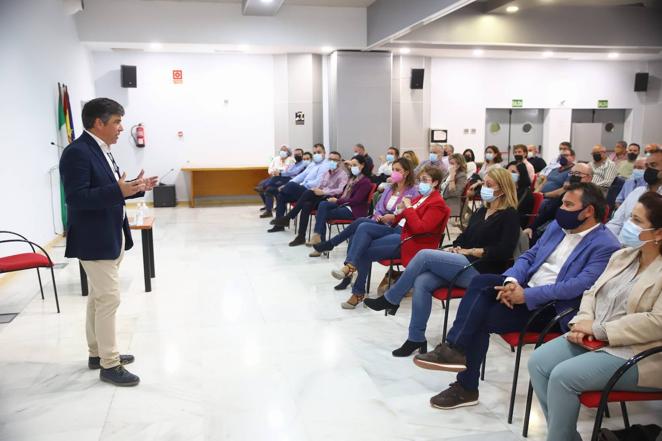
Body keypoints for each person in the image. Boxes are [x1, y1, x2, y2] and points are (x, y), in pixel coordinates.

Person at [410, 183, 620, 410]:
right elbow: (529, 256)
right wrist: (511, 282)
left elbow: (576, 286)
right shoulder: (558, 228)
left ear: (588, 211)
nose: (561, 209)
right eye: (562, 203)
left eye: (568, 205)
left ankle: (465, 384)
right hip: (524, 287)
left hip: (553, 307)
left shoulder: (606, 244)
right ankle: (454, 349)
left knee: (480, 317)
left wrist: (526, 295)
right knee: (481, 282)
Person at [528, 191, 662, 441]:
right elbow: (592, 292)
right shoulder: (623, 256)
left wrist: (598, 329)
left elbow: (657, 323)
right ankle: (565, 436)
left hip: (640, 352)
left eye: (638, 222)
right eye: (630, 218)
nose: (628, 226)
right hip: (596, 337)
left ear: (659, 233)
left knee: (563, 377)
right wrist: (581, 323)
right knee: (538, 362)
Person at [364, 167, 521, 357]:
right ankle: (416, 338)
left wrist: (470, 251)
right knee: (422, 281)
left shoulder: (510, 215)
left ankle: (391, 298)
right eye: (484, 184)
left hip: (481, 270)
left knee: (424, 255)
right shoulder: (482, 211)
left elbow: (503, 251)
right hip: (463, 261)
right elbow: (465, 237)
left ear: (502, 189)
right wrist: (455, 246)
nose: (483, 189)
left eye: (489, 185)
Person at [59, 98, 159, 387]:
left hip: (110, 234)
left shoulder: (102, 150)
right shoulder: (77, 153)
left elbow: (109, 190)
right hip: (94, 238)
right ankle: (110, 364)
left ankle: (96, 353)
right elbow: (76, 199)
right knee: (109, 299)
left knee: (98, 298)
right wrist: (117, 190)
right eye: (116, 122)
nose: (121, 128)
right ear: (98, 123)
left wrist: (135, 188)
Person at [333, 166, 450, 309]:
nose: (421, 183)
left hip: (413, 242)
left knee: (363, 250)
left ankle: (355, 286)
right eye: (420, 180)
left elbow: (420, 228)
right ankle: (351, 269)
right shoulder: (421, 197)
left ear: (435, 183)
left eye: (425, 180)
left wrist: (408, 208)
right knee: (363, 227)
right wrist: (394, 216)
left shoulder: (437, 203)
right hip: (401, 232)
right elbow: (404, 216)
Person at [313, 158, 418, 282]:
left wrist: (392, 218)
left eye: (398, 170)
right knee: (357, 231)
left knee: (360, 225)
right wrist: (378, 216)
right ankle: (348, 269)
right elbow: (379, 206)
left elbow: (408, 214)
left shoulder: (413, 191)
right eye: (393, 169)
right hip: (380, 222)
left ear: (406, 173)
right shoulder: (390, 188)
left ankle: (335, 250)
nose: (394, 172)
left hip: (393, 226)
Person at [270, 151, 348, 239]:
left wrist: (323, 192)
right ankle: (301, 237)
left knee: (307, 194)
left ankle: (289, 217)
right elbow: (320, 184)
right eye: (330, 159)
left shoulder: (343, 175)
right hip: (320, 196)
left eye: (335, 160)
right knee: (306, 204)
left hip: (331, 199)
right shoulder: (327, 172)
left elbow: (340, 190)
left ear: (340, 161)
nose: (332, 161)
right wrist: (316, 189)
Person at [308, 155, 373, 254]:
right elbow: (344, 194)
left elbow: (356, 200)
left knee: (321, 214)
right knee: (323, 204)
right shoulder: (352, 178)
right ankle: (318, 237)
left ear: (362, 165)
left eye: (354, 165)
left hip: (353, 210)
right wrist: (335, 198)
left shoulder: (365, 182)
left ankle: (320, 244)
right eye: (351, 165)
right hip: (344, 204)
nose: (352, 168)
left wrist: (337, 201)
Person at [524, 163, 593, 245]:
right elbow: (549, 211)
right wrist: (531, 227)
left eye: (577, 174)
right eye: (571, 173)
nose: (573, 176)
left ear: (589, 178)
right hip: (554, 227)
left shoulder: (592, 198)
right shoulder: (567, 193)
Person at [269, 143, 330, 227]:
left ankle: (274, 190)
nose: (316, 155)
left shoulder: (325, 166)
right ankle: (280, 224)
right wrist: (288, 184)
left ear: (324, 153)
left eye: (319, 152)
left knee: (290, 186)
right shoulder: (312, 164)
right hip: (303, 190)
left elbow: (318, 182)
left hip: (313, 192)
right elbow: (301, 176)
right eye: (315, 153)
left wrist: (302, 185)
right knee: (281, 196)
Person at [607, 149, 662, 239]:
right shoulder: (637, 192)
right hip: (619, 245)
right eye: (647, 166)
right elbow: (616, 222)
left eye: (653, 165)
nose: (648, 169)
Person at [257, 147, 305, 218]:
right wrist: (278, 172)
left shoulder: (301, 163)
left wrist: (280, 172)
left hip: (290, 182)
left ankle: (263, 188)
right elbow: (286, 170)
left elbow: (291, 172)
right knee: (269, 190)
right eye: (296, 154)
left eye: (299, 154)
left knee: (273, 182)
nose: (297, 156)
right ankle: (269, 211)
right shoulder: (293, 164)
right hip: (280, 178)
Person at [508, 161, 535, 228]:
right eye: (507, 172)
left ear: (521, 174)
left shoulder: (526, 193)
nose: (509, 174)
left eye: (513, 172)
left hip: (515, 225)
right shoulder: (507, 189)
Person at [440, 153, 468, 218]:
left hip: (450, 203)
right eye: (450, 163)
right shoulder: (448, 173)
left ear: (459, 165)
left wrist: (452, 175)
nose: (450, 165)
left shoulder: (462, 175)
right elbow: (440, 187)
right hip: (441, 200)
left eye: (452, 164)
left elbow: (453, 192)